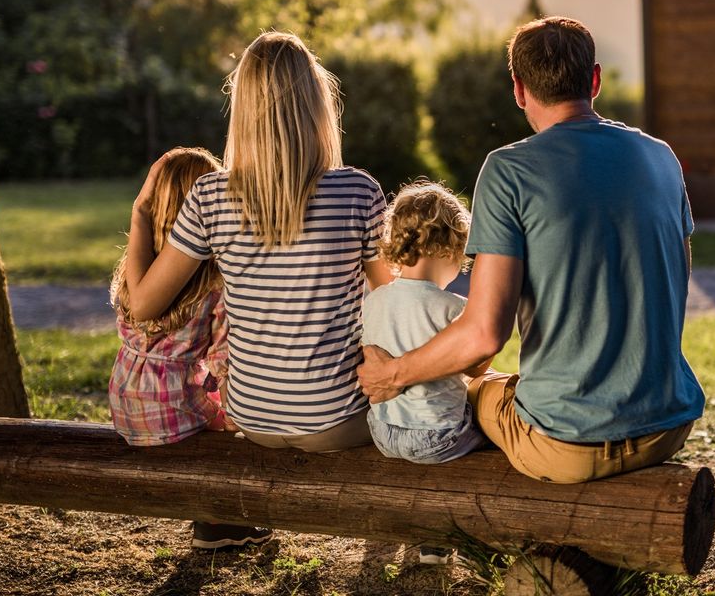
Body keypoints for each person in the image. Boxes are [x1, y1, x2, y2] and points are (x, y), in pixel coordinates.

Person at [359, 16, 704, 485]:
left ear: (519, 90)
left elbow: (483, 335)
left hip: (566, 445)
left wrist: (394, 374)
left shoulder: (508, 171)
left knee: (475, 387)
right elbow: (676, 286)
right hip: (667, 425)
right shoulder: (662, 157)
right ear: (595, 80)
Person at [123, 31, 391, 533]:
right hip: (338, 419)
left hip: (253, 416)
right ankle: (428, 535)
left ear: (243, 108)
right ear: (316, 105)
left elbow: (142, 305)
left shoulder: (208, 196)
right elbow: (398, 301)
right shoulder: (357, 190)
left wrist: (141, 215)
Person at [109, 146, 268, 549]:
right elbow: (224, 363)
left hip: (126, 407)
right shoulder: (216, 285)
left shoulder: (136, 273)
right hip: (171, 414)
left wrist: (139, 209)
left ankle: (215, 521)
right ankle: (219, 521)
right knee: (238, 424)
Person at [362, 181, 488, 465]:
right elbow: (476, 367)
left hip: (382, 431)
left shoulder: (374, 300)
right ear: (447, 250)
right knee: (492, 423)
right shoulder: (454, 307)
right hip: (436, 436)